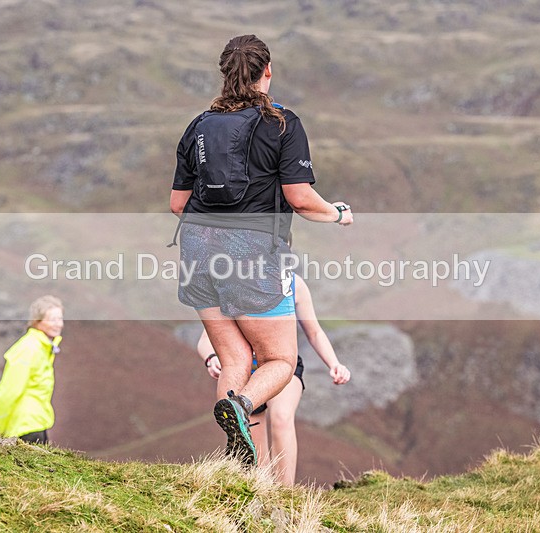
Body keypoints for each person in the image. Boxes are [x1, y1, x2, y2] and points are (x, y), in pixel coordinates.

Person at [170, 34, 353, 465]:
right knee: (280, 360)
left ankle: (238, 473)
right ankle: (241, 406)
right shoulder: (283, 124)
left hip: (197, 254)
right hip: (253, 258)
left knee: (234, 357)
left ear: (225, 75)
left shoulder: (197, 126)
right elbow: (301, 198)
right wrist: (338, 214)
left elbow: (178, 204)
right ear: (267, 72)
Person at [198, 274, 350, 485]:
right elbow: (206, 339)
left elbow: (314, 332)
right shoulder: (234, 284)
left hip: (284, 366)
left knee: (281, 417)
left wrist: (334, 364)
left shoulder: (295, 285)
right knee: (253, 448)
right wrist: (211, 358)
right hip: (247, 376)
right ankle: (263, 495)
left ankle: (286, 493)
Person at [0, 295, 64, 444]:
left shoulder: (44, 347)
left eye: (60, 319)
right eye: (52, 319)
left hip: (36, 424)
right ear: (37, 321)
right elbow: (10, 390)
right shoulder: (29, 349)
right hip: (23, 428)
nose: (58, 324)